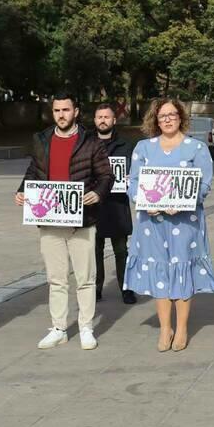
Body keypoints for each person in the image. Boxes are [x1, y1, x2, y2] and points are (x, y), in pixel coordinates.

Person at [16, 94, 113, 351]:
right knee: (56, 278)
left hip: (82, 219)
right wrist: (22, 190)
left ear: (76, 111)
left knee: (85, 277)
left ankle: (85, 327)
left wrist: (98, 193)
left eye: (66, 110)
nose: (61, 114)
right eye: (57, 110)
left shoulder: (90, 141)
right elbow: (33, 171)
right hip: (49, 220)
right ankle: (58, 327)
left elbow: (106, 175)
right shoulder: (41, 139)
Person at [124, 98, 214, 352]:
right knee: (160, 271)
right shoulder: (143, 148)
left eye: (172, 114)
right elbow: (133, 182)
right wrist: (144, 202)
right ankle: (165, 328)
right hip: (151, 223)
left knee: (181, 268)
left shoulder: (196, 148)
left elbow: (204, 184)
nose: (167, 119)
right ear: (155, 119)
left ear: (180, 117)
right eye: (162, 115)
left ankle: (183, 327)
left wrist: (187, 201)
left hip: (185, 222)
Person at [92, 102, 136, 305]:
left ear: (114, 120)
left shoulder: (127, 146)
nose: (103, 120)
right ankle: (96, 288)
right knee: (94, 249)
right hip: (92, 204)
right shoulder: (86, 143)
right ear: (95, 120)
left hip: (118, 205)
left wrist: (131, 177)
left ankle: (126, 288)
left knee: (121, 250)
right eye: (99, 117)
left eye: (106, 117)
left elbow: (136, 172)